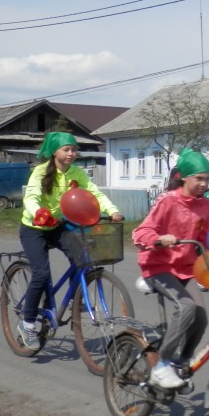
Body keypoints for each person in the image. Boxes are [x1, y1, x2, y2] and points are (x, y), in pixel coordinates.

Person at [17, 132, 124, 350]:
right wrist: (39, 213)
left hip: (56, 225)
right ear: (54, 152)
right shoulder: (40, 172)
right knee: (41, 273)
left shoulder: (77, 173)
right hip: (34, 227)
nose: (71, 153)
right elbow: (31, 197)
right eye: (66, 149)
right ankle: (27, 324)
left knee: (83, 257)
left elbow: (94, 194)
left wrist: (112, 210)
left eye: (74, 150)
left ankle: (77, 298)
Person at [132, 148, 209, 389]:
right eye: (199, 178)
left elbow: (208, 239)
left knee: (200, 317)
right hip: (158, 266)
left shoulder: (205, 206)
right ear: (184, 177)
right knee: (186, 306)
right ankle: (161, 365)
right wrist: (158, 239)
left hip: (185, 268)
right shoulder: (167, 201)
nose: (204, 184)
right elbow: (140, 232)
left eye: (207, 179)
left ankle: (180, 362)